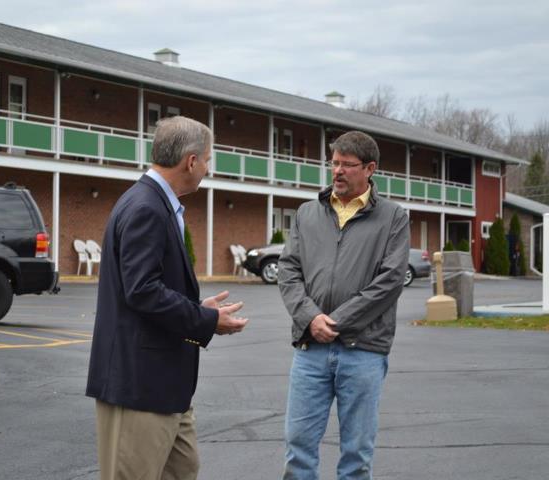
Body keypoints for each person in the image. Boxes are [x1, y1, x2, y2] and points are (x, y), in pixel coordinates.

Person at [86, 115, 248, 480]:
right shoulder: (146, 207)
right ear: (191, 161)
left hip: (166, 389)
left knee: (182, 471)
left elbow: (149, 285)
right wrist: (206, 320)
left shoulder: (157, 203)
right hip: (139, 387)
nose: (208, 169)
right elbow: (141, 291)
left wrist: (197, 309)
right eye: (207, 160)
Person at [278, 131, 409, 480]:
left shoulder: (394, 217)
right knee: (298, 447)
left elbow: (390, 280)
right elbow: (289, 272)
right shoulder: (307, 213)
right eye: (333, 163)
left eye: (347, 165)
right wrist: (311, 318)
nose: (337, 171)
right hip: (310, 349)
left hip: (363, 351)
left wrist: (333, 322)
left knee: (356, 454)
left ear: (369, 169)